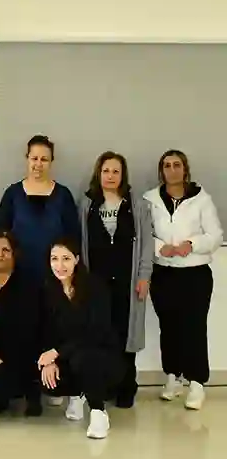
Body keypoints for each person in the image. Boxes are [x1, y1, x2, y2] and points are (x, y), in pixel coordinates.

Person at [144, 149, 223, 410]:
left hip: (195, 274)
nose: (172, 169)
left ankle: (197, 383)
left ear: (185, 169)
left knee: (194, 328)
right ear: (161, 171)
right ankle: (173, 378)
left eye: (177, 165)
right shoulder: (150, 199)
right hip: (164, 272)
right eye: (166, 165)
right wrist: (159, 248)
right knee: (169, 327)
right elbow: (145, 234)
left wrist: (192, 244)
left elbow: (215, 235)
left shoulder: (201, 199)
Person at [79, 151, 153, 409]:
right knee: (100, 333)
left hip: (127, 281)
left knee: (125, 336)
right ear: (98, 174)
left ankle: (126, 388)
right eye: (106, 171)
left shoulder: (137, 204)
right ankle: (104, 385)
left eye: (115, 171)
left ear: (123, 175)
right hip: (96, 282)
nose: (110, 176)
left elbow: (146, 245)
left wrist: (144, 276)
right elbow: (81, 245)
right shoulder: (87, 204)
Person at [38, 238, 123, 440]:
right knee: (46, 379)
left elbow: (96, 331)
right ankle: (78, 393)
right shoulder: (47, 289)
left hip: (101, 354)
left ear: (76, 259)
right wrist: (50, 359)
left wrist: (57, 353)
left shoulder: (94, 286)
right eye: (54, 259)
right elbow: (44, 330)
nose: (60, 265)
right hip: (68, 355)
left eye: (66, 259)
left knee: (84, 358)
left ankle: (98, 411)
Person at [0, 135, 80, 286]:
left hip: (56, 279)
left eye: (44, 159)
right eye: (34, 158)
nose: (38, 164)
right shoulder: (12, 194)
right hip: (18, 278)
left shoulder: (63, 195)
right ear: (27, 159)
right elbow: (0, 237)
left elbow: (73, 239)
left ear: (51, 162)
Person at [0, 231, 43, 417]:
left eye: (6, 250)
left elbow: (30, 330)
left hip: (20, 354)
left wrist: (2, 356)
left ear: (15, 254)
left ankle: (29, 390)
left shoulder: (27, 285)